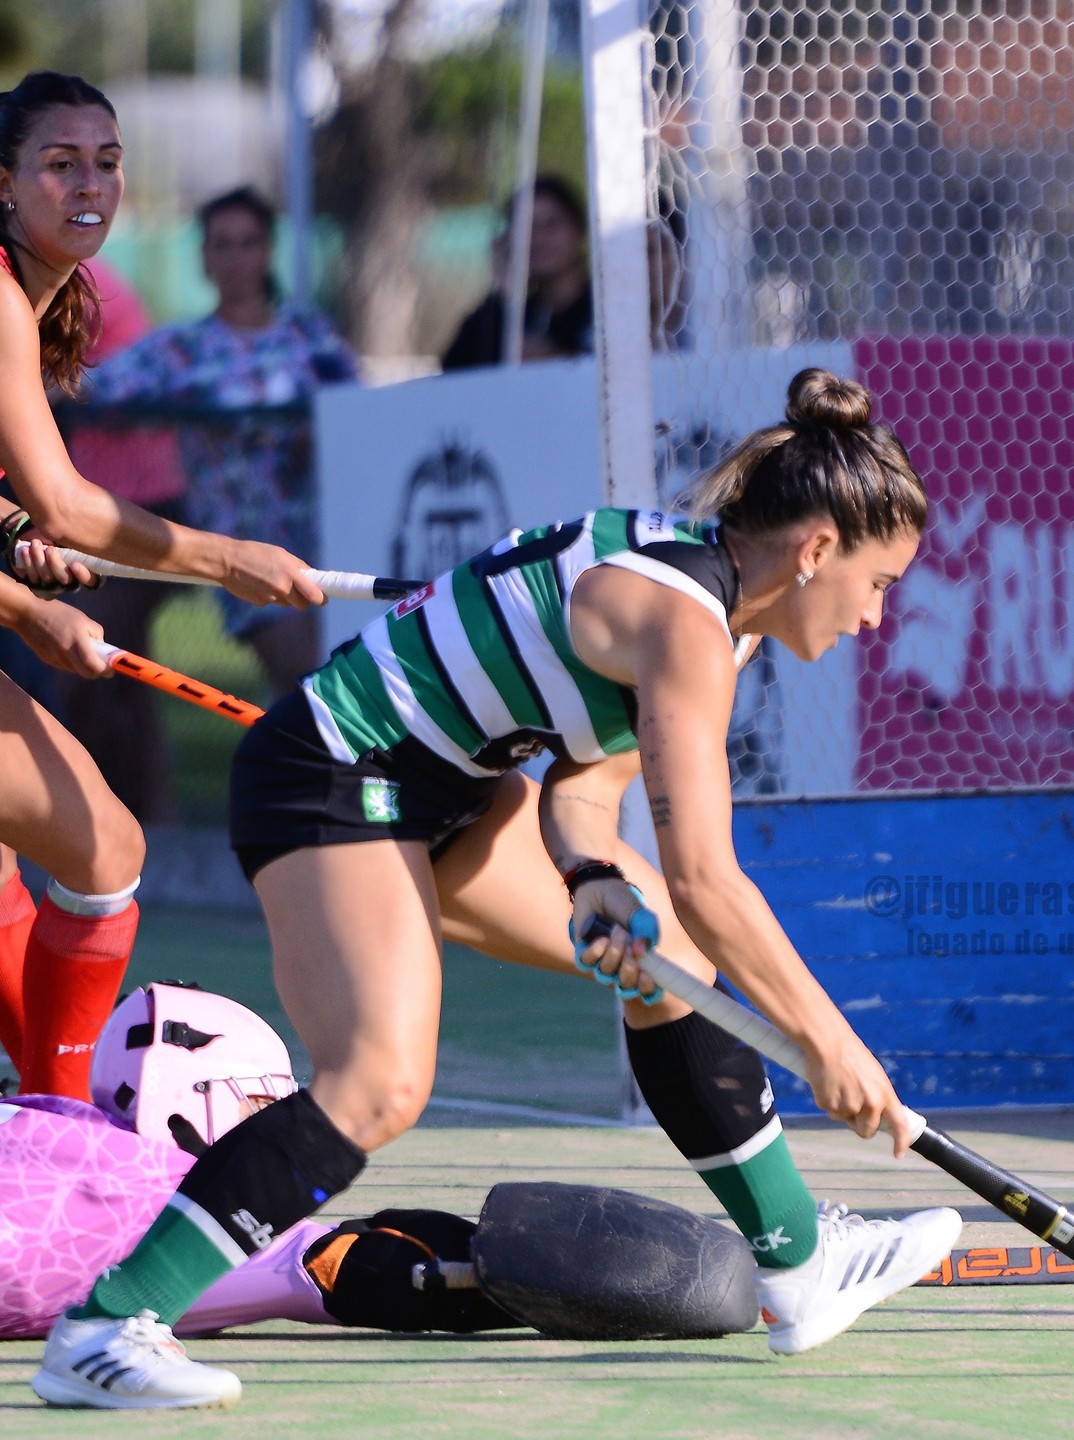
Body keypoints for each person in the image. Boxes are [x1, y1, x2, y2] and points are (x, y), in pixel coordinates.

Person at [36, 367, 962, 1411]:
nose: (877, 619)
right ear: (819, 551)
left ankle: (795, 1264)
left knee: (672, 964)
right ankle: (106, 1326)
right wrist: (830, 1043)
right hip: (336, 774)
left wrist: (592, 876)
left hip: (452, 789)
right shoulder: (686, 621)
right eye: (881, 585)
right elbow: (708, 876)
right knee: (380, 1082)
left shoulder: (720, 611)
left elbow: (587, 786)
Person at [0, 72, 321, 1105]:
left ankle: (44, 1120)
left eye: (106, 160)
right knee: (103, 849)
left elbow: (22, 516)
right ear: (4, 182)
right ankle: (60, 1124)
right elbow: (71, 509)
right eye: (60, 163)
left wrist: (33, 605)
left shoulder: (52, 303)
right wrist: (231, 558)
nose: (89, 184)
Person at [5, 981, 756, 1347]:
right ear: (190, 1106)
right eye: (260, 1103)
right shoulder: (181, 1222)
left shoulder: (53, 1116)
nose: (277, 1126)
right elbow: (371, 1267)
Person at [82, 185, 357, 700]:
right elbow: (90, 389)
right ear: (204, 257)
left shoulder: (311, 336)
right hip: (246, 546)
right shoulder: (181, 349)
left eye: (249, 242)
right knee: (311, 689)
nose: (236, 257)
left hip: (335, 534)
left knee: (343, 693)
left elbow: (358, 419)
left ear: (268, 250)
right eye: (222, 244)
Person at [50, 256, 188, 823]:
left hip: (135, 507)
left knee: (93, 659)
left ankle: (108, 813)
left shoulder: (78, 282)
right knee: (115, 668)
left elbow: (73, 385)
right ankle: (140, 814)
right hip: (94, 508)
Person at [440, 175, 594, 369]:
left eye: (552, 224)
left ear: (580, 233)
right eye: (527, 227)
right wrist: (502, 295)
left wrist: (561, 358)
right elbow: (456, 373)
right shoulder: (512, 316)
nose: (539, 238)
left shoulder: (605, 309)